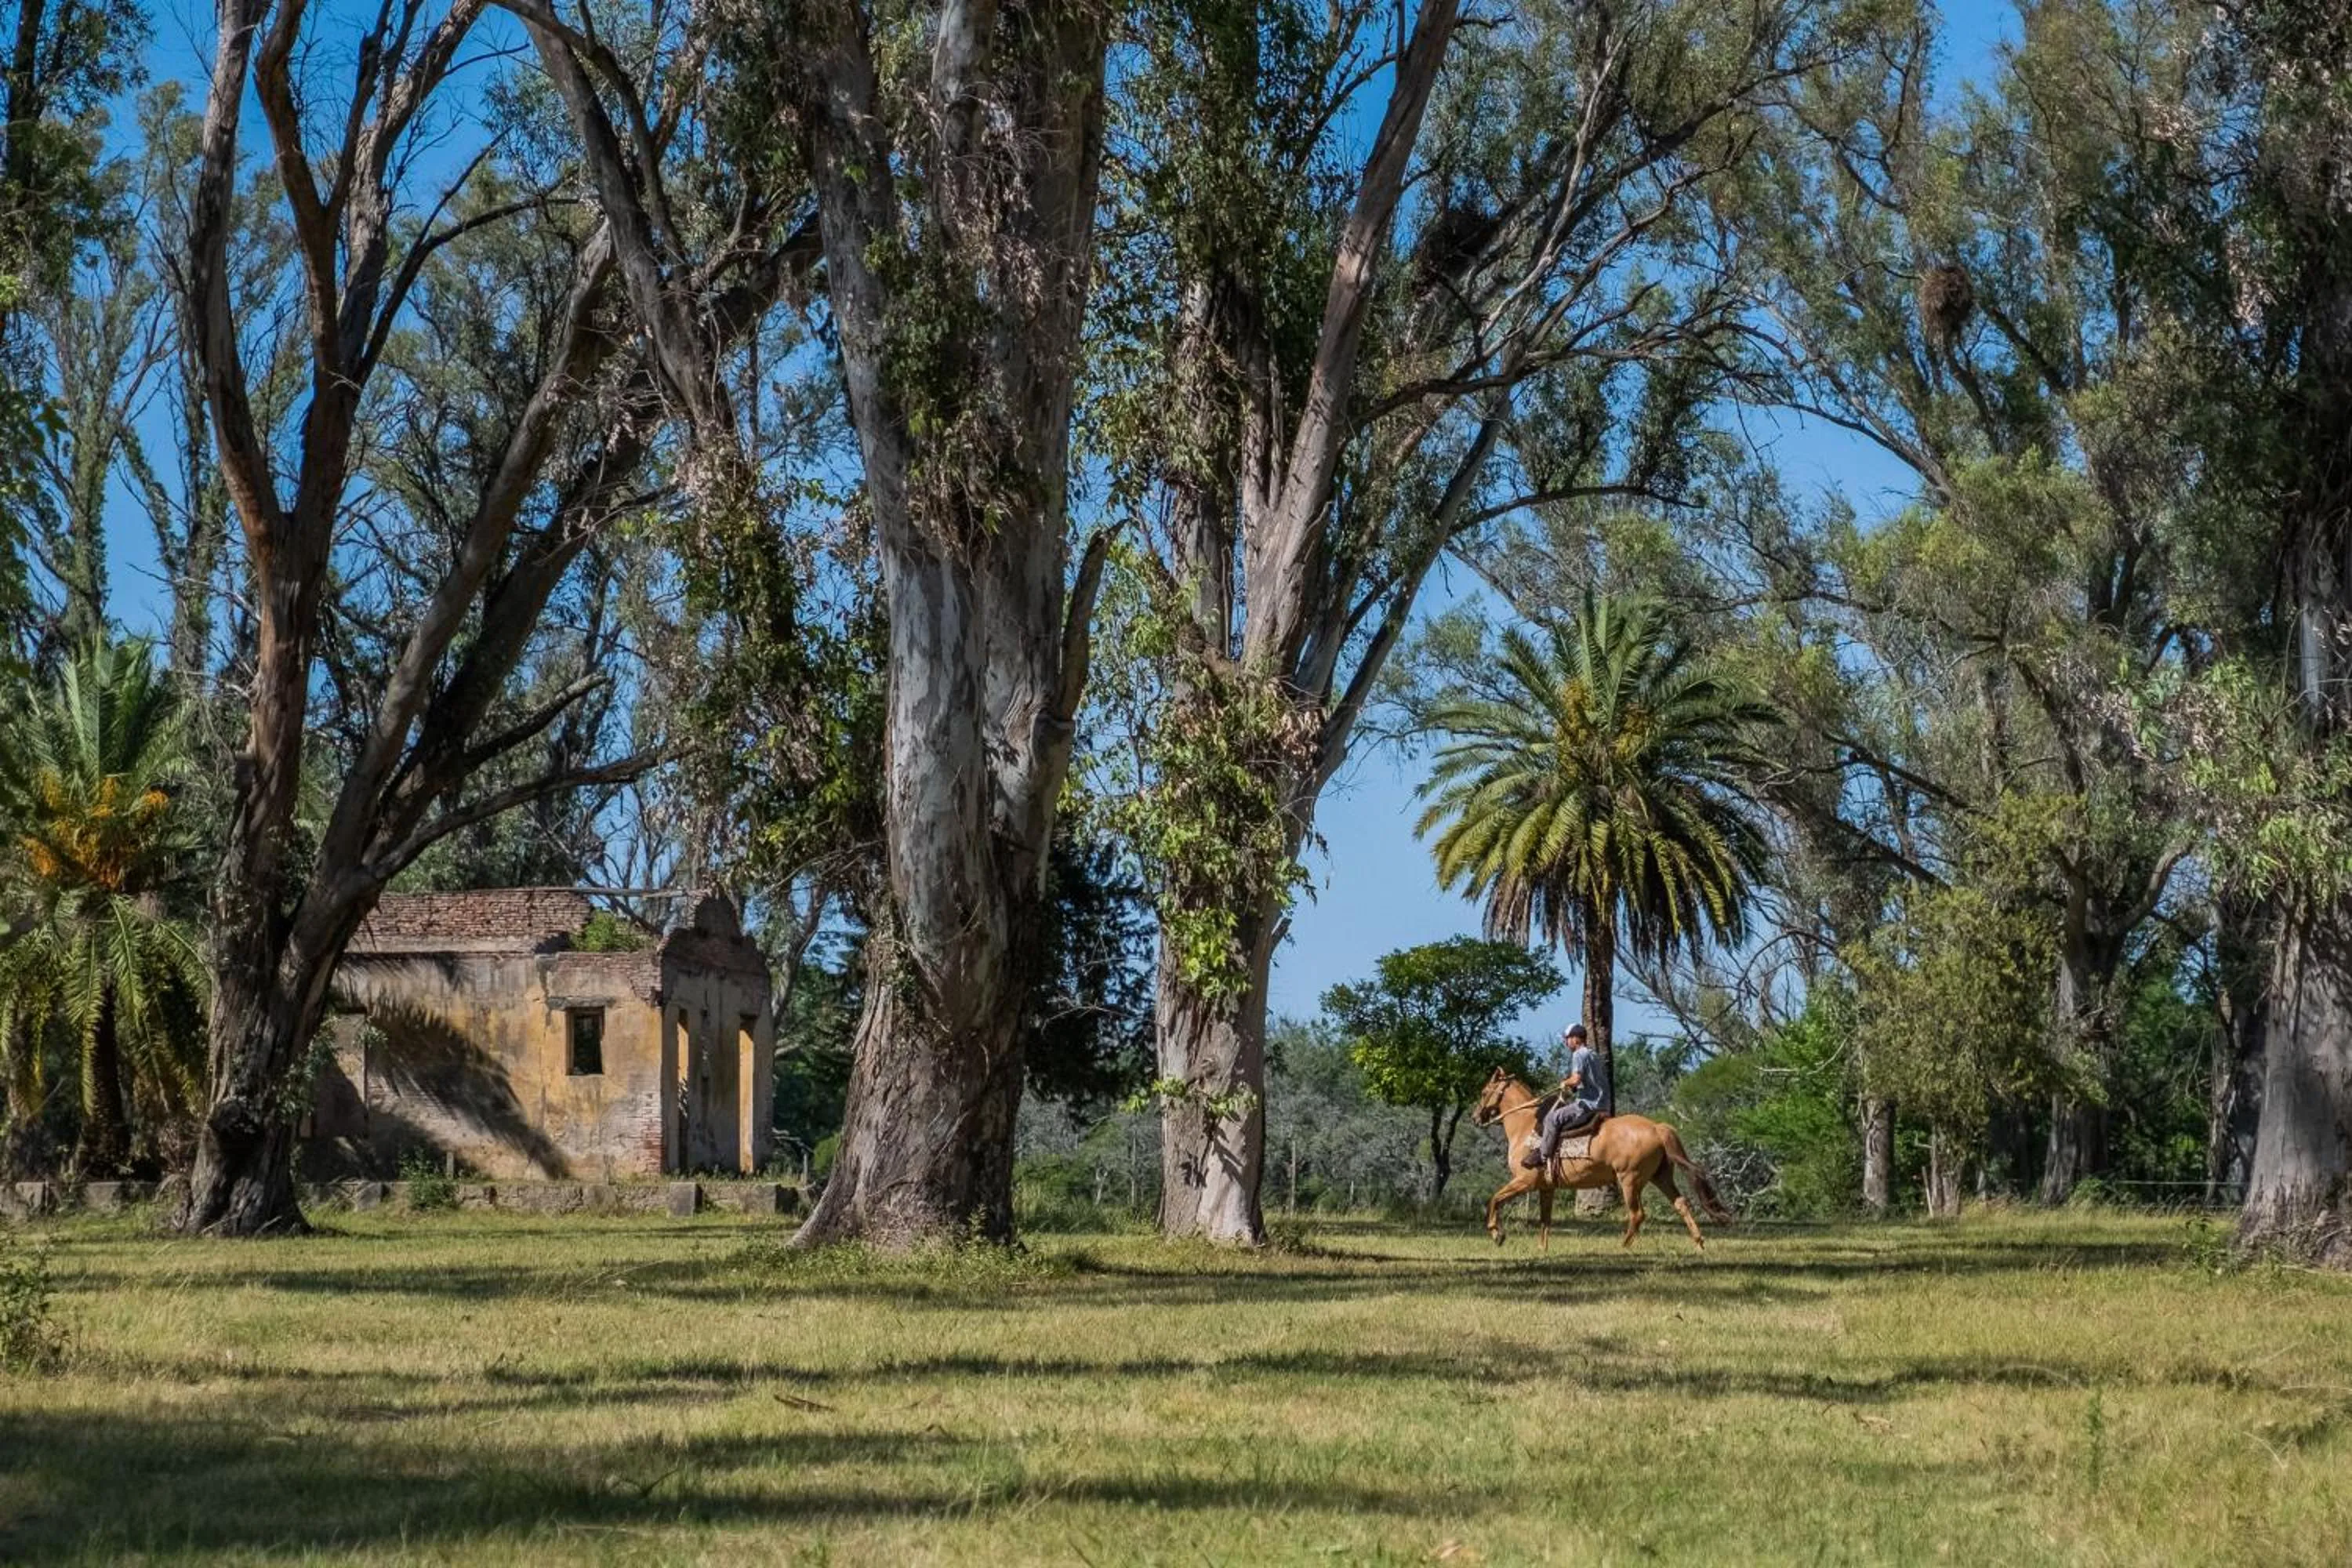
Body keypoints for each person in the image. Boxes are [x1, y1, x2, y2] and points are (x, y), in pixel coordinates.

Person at [1523, 1024, 1609, 1169]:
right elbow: (1588, 1081)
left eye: (1567, 1038)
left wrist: (1565, 1083)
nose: (1566, 1042)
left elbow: (1576, 1079)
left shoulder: (1579, 1054)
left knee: (1551, 1118)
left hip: (1587, 1105)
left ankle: (1543, 1156)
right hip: (1603, 1104)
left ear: (1576, 1039)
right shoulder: (1594, 1055)